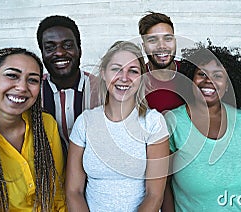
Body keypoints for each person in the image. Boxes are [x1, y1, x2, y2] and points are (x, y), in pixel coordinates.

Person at [65, 41, 169, 211]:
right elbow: (73, 191)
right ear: (103, 73)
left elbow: (155, 196)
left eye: (133, 71)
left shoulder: (153, 123)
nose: (124, 77)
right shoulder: (85, 122)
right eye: (116, 69)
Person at [0, 48, 66, 211]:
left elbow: (57, 193)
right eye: (12, 75)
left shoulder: (46, 124)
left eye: (32, 80)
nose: (22, 87)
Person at [163, 44, 241, 211]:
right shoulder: (173, 121)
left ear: (227, 85)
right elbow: (163, 184)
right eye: (201, 74)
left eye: (218, 75)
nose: (208, 80)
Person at [36, 15, 99, 152]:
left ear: (79, 50)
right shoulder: (32, 92)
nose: (59, 52)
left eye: (67, 45)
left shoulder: (102, 89)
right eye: (50, 47)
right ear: (42, 53)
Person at [138, 11, 185, 113]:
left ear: (175, 41)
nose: (162, 46)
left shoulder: (191, 73)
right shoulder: (137, 80)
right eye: (152, 40)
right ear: (144, 46)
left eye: (168, 39)